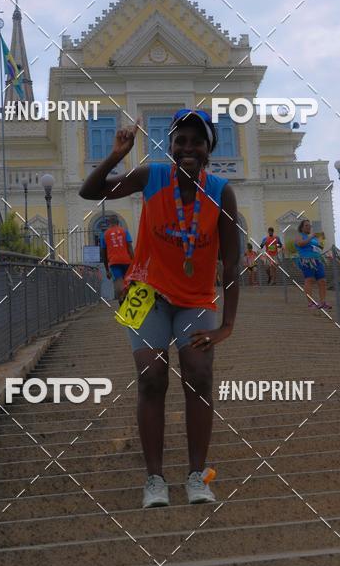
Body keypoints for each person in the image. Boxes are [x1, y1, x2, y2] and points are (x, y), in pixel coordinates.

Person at [79, 109, 240, 508]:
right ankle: (154, 479)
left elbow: (233, 263)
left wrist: (227, 325)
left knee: (199, 377)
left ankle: (196, 475)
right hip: (147, 292)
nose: (187, 148)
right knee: (152, 378)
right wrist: (117, 154)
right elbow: (89, 192)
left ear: (208, 149)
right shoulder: (150, 177)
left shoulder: (221, 191)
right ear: (169, 146)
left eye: (196, 141)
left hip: (196, 299)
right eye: (179, 141)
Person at [294, 219, 331, 310]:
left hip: (317, 259)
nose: (309, 227)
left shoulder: (314, 238)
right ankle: (310, 303)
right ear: (302, 228)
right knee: (309, 279)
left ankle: (323, 302)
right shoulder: (299, 236)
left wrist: (322, 239)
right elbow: (300, 244)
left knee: (322, 281)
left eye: (309, 225)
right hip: (306, 260)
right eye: (306, 225)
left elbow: (319, 248)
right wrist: (310, 237)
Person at [100, 215, 133, 299]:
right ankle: (130, 298)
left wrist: (107, 270)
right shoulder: (125, 231)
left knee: (118, 281)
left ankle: (122, 300)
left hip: (114, 262)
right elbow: (129, 247)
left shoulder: (105, 234)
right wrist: (134, 261)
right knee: (128, 280)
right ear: (118, 223)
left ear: (109, 223)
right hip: (127, 260)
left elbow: (103, 253)